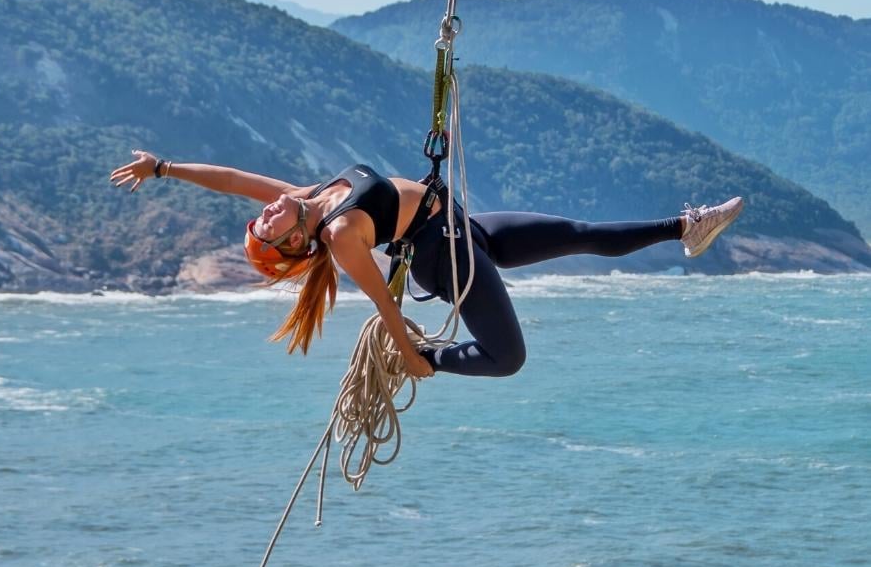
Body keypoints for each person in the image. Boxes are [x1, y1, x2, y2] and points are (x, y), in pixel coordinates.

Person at [110, 149, 743, 380]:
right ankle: (441, 362)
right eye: (265, 225)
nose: (267, 210)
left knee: (576, 233)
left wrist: (163, 168)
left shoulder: (306, 198)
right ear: (292, 247)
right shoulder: (336, 234)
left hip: (460, 225)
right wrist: (414, 355)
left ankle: (686, 228)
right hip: (448, 257)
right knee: (509, 357)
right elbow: (383, 301)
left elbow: (231, 178)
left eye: (263, 216)